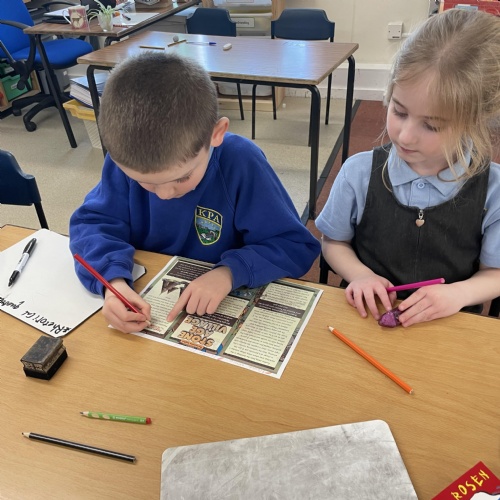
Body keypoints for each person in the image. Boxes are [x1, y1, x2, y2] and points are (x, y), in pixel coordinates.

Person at [69, 52, 320, 333]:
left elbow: (294, 246)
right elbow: (92, 225)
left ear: (216, 133)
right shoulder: (124, 163)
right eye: (145, 183)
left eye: (182, 177)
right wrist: (112, 283)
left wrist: (229, 273)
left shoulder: (241, 162)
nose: (164, 194)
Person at [316, 8, 500, 327]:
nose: (404, 135)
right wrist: (360, 275)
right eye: (399, 112)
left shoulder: (493, 190)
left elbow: (494, 273)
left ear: (476, 123)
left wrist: (459, 293)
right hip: (367, 316)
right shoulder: (358, 173)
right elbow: (333, 242)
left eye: (431, 125)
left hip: (448, 326)